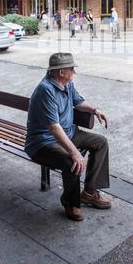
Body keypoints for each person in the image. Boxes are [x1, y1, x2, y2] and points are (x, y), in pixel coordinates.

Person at [25, 53, 111, 221]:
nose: (74, 72)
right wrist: (74, 153)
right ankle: (71, 203)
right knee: (72, 162)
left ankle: (89, 192)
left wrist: (95, 110)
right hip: (43, 142)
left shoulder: (66, 84)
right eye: (72, 69)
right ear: (61, 72)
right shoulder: (46, 90)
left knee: (101, 143)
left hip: (69, 134)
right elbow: (54, 128)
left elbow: (78, 102)